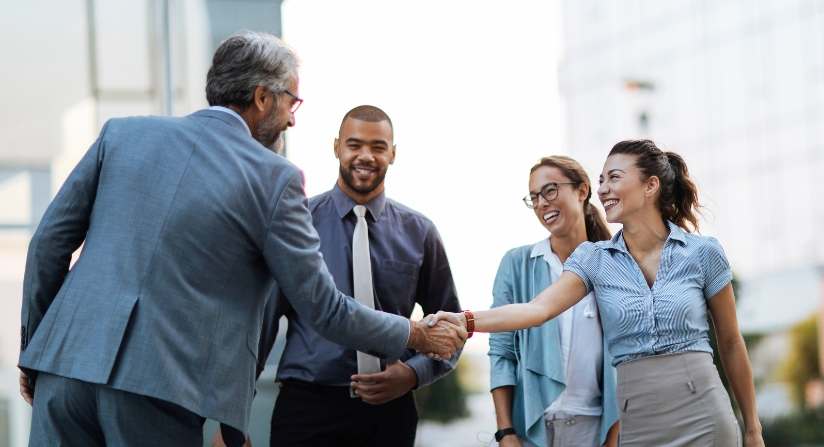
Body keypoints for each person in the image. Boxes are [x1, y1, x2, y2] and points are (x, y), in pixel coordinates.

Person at [17, 32, 465, 447]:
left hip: (63, 369)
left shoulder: (122, 134)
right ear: (262, 97)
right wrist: (416, 335)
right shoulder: (274, 178)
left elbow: (47, 246)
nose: (292, 118)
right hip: (158, 387)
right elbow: (322, 308)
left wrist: (34, 350)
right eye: (293, 101)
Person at [430, 140, 765, 447]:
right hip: (638, 426)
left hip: (704, 415)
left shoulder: (703, 252)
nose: (603, 189)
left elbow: (732, 343)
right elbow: (537, 309)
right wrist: (465, 320)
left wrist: (752, 429)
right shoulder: (593, 259)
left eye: (614, 178)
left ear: (651, 185)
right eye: (601, 181)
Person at [252, 105, 462, 447]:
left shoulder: (420, 232)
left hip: (391, 411)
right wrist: (231, 418)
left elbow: (453, 328)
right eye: (355, 145)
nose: (366, 155)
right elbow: (260, 323)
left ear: (393, 154)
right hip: (308, 407)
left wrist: (412, 374)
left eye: (378, 147)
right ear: (337, 147)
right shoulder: (295, 223)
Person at [489, 156, 620, 447]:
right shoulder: (516, 263)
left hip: (594, 430)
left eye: (550, 190)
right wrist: (505, 432)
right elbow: (501, 353)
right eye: (534, 197)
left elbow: (626, 357)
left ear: (582, 190)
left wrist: (612, 438)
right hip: (528, 431)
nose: (541, 203)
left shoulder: (615, 265)